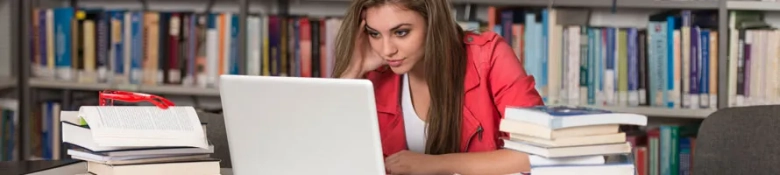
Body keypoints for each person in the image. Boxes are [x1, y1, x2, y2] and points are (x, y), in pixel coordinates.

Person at [333, 0, 545, 174]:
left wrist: (435, 164)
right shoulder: (372, 76)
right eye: (374, 34)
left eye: (401, 33)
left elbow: (538, 153)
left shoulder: (488, 57)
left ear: (432, 23)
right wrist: (351, 74)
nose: (387, 50)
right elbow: (332, 155)